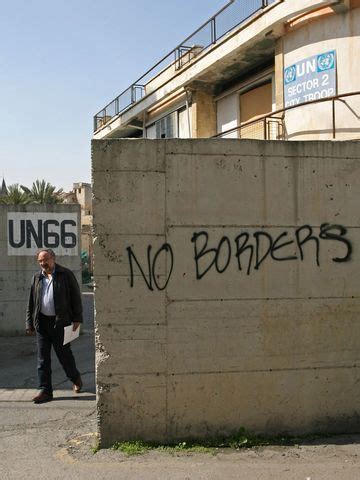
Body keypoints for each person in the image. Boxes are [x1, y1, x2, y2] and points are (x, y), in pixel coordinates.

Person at [26, 248, 83, 404]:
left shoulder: (66, 274)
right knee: (42, 360)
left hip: (61, 323)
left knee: (65, 356)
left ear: (53, 258)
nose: (43, 263)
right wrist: (29, 322)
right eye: (40, 261)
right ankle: (45, 391)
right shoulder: (37, 277)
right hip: (42, 324)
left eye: (45, 260)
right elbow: (31, 301)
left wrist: (77, 319)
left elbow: (76, 297)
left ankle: (75, 378)